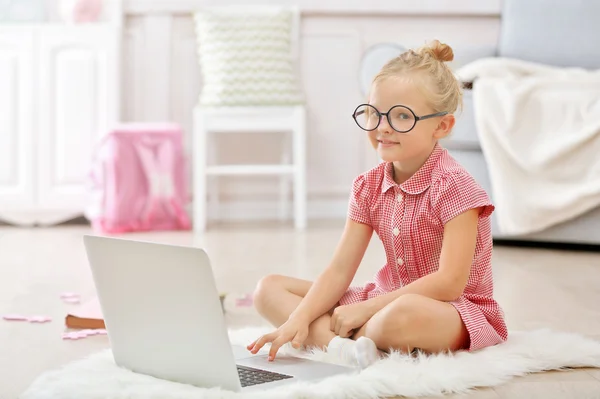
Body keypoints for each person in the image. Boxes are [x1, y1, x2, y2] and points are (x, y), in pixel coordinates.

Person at [247, 40, 508, 368]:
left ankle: (336, 338)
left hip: (449, 309)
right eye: (375, 113)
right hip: (382, 299)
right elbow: (340, 269)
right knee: (268, 290)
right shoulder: (367, 186)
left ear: (441, 125)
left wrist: (367, 310)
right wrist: (298, 318)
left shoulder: (455, 186)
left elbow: (449, 282)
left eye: (401, 116)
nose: (383, 127)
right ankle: (346, 351)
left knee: (399, 316)